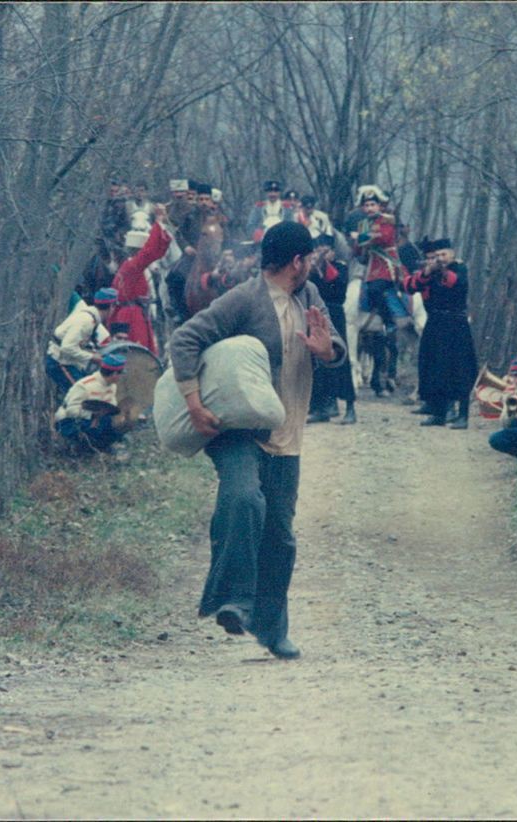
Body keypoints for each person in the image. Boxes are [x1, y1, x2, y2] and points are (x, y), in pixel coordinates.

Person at [168, 221, 347, 660]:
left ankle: (272, 629)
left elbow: (335, 348)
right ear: (298, 262)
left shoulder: (309, 297)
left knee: (280, 536)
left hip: (288, 431)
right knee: (245, 500)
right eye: (309, 260)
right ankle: (232, 601)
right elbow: (185, 338)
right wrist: (194, 403)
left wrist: (327, 351)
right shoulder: (244, 298)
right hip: (236, 428)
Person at [402, 237, 477, 429]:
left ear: (452, 254)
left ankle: (462, 415)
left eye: (444, 254)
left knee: (459, 370)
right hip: (434, 323)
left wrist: (440, 269)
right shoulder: (429, 272)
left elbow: (455, 283)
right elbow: (409, 287)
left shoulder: (459, 268)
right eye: (437, 256)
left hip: (455, 324)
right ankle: (438, 412)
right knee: (433, 369)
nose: (441, 258)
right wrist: (427, 271)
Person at [349, 186, 409, 396]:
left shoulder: (387, 219)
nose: (369, 207)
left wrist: (363, 236)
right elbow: (358, 250)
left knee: (377, 289)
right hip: (371, 266)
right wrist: (359, 240)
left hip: (387, 267)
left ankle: (389, 321)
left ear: (379, 205)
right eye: (366, 204)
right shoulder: (365, 223)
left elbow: (382, 239)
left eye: (372, 204)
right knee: (363, 288)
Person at [307, 235, 357, 424]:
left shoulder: (341, 267)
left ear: (333, 252)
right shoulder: (310, 269)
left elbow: (338, 284)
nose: (321, 253)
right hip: (316, 314)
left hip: (335, 315)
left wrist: (324, 265)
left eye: (325, 249)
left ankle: (350, 407)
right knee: (317, 362)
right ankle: (321, 407)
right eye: (318, 249)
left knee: (340, 358)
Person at [111, 204, 173, 355]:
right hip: (132, 317)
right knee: (139, 354)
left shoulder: (129, 265)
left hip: (133, 313)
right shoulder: (133, 266)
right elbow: (150, 253)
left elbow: (154, 253)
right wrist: (158, 222)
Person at [54, 352, 128, 455]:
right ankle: (79, 448)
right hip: (69, 421)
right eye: (120, 373)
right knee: (92, 430)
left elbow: (111, 406)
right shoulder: (85, 385)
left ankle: (100, 448)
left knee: (115, 429)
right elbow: (71, 411)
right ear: (114, 374)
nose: (121, 377)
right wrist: (92, 415)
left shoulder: (112, 386)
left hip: (96, 420)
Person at [45, 293, 110, 394]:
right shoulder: (86, 321)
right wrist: (91, 357)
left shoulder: (91, 319)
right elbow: (67, 348)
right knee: (84, 395)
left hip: (67, 362)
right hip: (59, 362)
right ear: (111, 307)